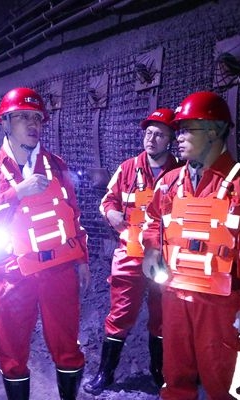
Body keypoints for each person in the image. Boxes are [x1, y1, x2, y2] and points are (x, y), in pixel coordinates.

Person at [142, 91, 240, 399]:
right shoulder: (169, 182)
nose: (178, 137)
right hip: (175, 294)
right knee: (174, 378)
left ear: (214, 132)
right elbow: (152, 219)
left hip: (222, 302)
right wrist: (152, 248)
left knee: (222, 384)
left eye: (187, 129)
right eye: (178, 130)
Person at [0, 87, 90, 400]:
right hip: (11, 271)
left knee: (67, 345)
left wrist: (82, 259)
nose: (33, 123)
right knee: (12, 350)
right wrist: (17, 192)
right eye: (23, 117)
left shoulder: (56, 165)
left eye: (37, 118)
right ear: (5, 122)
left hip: (58, 267)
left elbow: (73, 214)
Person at [84, 108, 181, 394]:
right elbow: (108, 200)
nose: (151, 139)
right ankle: (106, 373)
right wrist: (111, 213)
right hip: (130, 252)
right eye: (148, 133)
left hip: (165, 257)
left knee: (162, 315)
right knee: (120, 313)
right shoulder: (128, 168)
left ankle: (158, 372)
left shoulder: (180, 173)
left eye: (159, 134)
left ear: (170, 139)